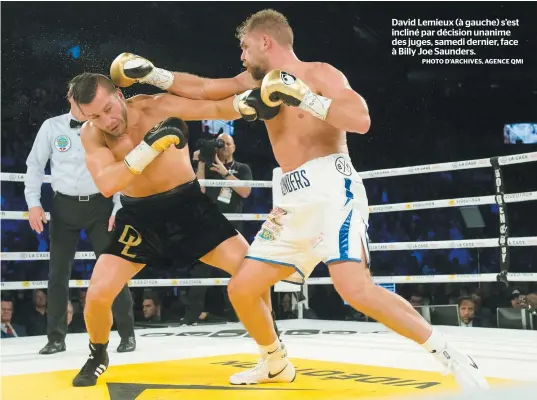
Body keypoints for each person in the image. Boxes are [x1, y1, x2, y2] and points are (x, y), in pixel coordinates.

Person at [111, 9, 489, 391]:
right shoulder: (251, 82)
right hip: (291, 197)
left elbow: (360, 120)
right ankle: (274, 362)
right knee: (242, 288)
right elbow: (206, 89)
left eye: (244, 47)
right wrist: (152, 74)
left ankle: (450, 355)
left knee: (354, 289)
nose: (241, 56)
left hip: (331, 188)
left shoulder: (320, 73)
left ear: (265, 41)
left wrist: (306, 98)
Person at [69, 70, 277, 387]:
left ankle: (271, 352)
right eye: (95, 116)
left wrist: (249, 102)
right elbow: (108, 184)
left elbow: (216, 107)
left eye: (108, 109)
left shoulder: (157, 107)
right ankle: (98, 354)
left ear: (119, 96)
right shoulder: (92, 134)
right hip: (139, 216)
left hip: (187, 207)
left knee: (252, 271)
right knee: (97, 294)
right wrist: (149, 147)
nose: (106, 121)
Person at [24, 91, 135, 354]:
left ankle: (127, 334)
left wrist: (119, 206)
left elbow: (121, 166)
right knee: (57, 274)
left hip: (100, 203)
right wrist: (33, 203)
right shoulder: (52, 126)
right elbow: (35, 165)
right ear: (70, 97)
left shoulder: (104, 126)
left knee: (113, 271)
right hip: (63, 206)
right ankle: (55, 338)